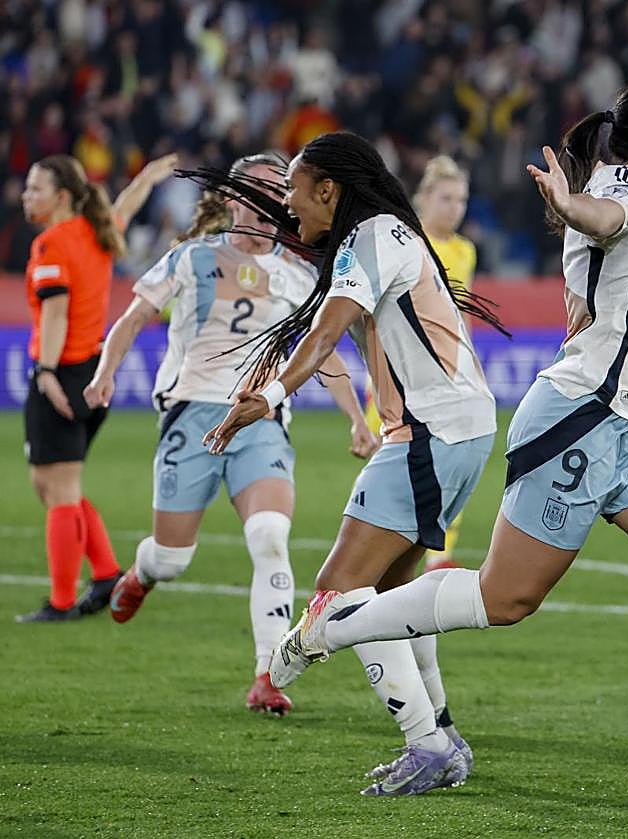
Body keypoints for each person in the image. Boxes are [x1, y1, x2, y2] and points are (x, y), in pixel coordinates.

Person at [214, 87, 628, 822]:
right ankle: (331, 625)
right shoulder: (625, 194)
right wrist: (571, 206)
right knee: (503, 599)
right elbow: (601, 217)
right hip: (581, 422)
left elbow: (598, 226)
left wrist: (572, 207)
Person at [188, 131, 504, 794]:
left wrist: (269, 396)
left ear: (328, 189)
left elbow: (326, 329)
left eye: (295, 192)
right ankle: (441, 730)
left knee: (338, 598)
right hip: (446, 430)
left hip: (431, 436)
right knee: (391, 597)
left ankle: (427, 743)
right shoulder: (383, 237)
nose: (288, 206)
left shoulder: (373, 237)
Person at [82, 152, 378, 716]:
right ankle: (143, 572)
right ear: (231, 198)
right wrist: (105, 373)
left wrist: (356, 419)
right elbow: (133, 318)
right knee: (172, 559)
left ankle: (267, 676)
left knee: (270, 537)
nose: (271, 204)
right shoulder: (191, 257)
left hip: (259, 418)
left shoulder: (297, 275)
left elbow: (320, 354)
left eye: (279, 192)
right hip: (192, 415)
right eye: (259, 191)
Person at [17, 152, 177, 624]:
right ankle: (106, 572)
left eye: (35, 189)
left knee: (59, 490)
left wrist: (45, 373)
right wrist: (147, 177)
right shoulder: (97, 230)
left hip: (62, 373)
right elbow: (124, 207)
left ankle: (62, 602)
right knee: (51, 485)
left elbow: (55, 313)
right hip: (91, 368)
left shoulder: (52, 245)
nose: (26, 197)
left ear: (62, 197)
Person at [364, 154, 477, 574]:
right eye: (446, 198)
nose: (455, 208)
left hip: (445, 376)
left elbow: (461, 314)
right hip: (401, 376)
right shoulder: (403, 242)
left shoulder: (465, 251)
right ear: (424, 198)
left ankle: (439, 556)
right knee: (395, 474)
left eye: (461, 200)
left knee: (452, 461)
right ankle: (385, 553)